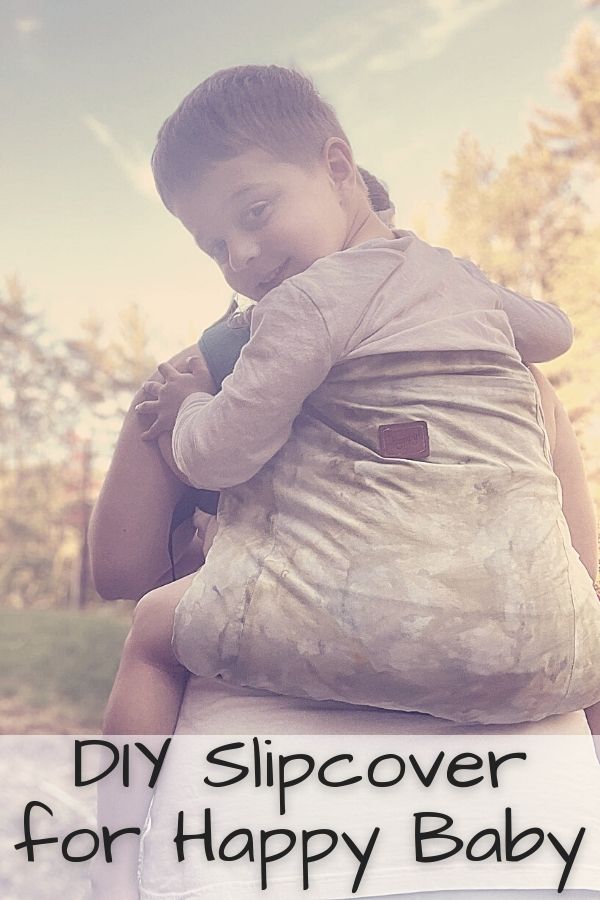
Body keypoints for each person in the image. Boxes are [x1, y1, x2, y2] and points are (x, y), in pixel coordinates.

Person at [99, 64, 600, 742]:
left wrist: (186, 409)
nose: (242, 257)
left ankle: (116, 845)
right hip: (535, 669)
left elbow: (122, 568)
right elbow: (558, 337)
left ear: (340, 172)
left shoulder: (226, 354)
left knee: (151, 637)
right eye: (216, 247)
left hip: (323, 653)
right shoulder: (490, 339)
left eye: (255, 214)